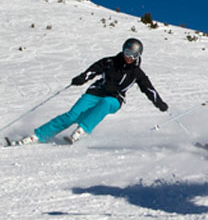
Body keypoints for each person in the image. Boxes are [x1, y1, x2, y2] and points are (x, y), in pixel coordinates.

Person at [9, 38, 168, 146]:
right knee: (72, 115)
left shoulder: (137, 73)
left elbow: (149, 90)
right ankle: (37, 136)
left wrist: (159, 103)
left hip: (114, 99)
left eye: (133, 55)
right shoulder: (110, 61)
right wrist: (81, 78)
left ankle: (82, 130)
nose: (129, 57)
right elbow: (93, 71)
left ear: (138, 56)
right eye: (127, 53)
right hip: (96, 92)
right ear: (123, 50)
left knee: (106, 103)